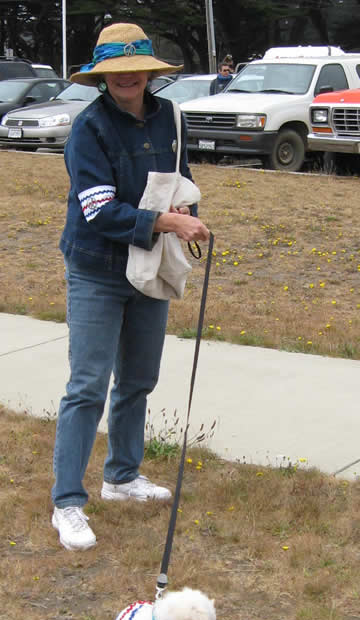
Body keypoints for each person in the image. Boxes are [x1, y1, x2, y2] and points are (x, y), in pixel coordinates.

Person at [51, 22, 209, 552]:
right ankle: (67, 503)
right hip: (97, 269)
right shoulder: (89, 128)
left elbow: (179, 181)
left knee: (139, 378)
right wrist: (170, 224)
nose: (129, 79)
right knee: (88, 386)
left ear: (149, 73)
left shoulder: (171, 118)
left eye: (136, 70)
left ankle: (121, 477)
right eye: (117, 72)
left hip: (149, 267)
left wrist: (187, 211)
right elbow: (97, 210)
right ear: (102, 78)